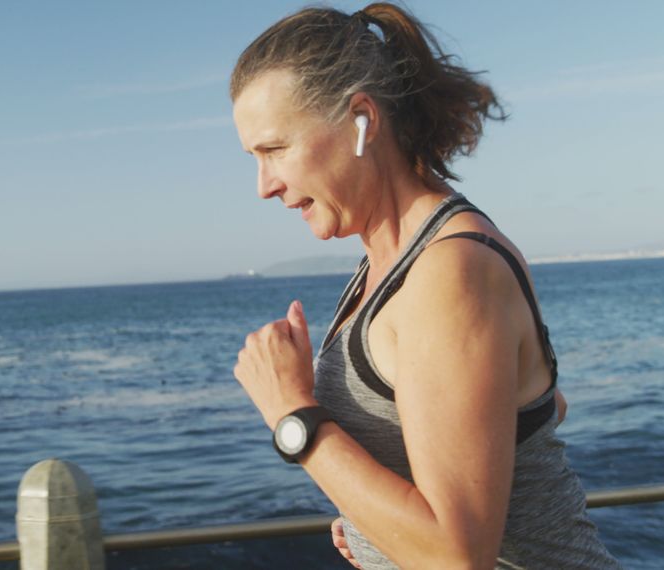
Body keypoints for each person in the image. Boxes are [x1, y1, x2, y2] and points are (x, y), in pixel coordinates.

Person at [230, 4, 621, 568]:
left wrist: (294, 417)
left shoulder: (449, 269)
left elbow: (457, 557)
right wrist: (379, 524)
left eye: (275, 149)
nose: (264, 185)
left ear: (360, 118)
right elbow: (539, 409)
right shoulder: (389, 264)